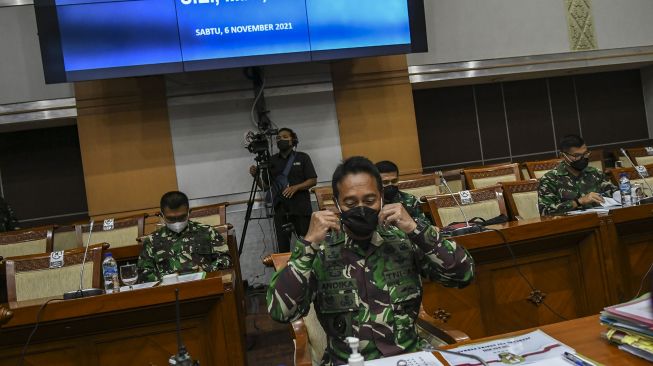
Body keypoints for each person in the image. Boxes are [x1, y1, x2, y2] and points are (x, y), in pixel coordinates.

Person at [266, 156, 474, 365]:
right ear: (336, 203)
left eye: (369, 200)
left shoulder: (403, 241)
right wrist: (308, 243)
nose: (361, 208)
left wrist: (416, 229)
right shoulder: (321, 251)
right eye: (350, 203)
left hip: (407, 359)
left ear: (381, 198)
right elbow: (281, 312)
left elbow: (463, 274)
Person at [137, 191, 231, 282]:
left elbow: (225, 259)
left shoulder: (207, 232)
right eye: (171, 219)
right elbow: (143, 272)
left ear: (189, 212)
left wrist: (207, 270)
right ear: (162, 215)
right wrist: (165, 279)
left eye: (181, 217)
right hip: (169, 291)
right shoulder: (152, 241)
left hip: (205, 284)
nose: (177, 222)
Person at [249, 127, 317, 253]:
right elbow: (265, 186)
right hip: (280, 210)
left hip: (301, 209)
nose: (281, 140)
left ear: (293, 140)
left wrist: (296, 187)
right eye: (278, 138)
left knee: (307, 245)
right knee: (283, 248)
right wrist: (256, 177)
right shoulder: (271, 161)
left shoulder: (303, 157)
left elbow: (313, 180)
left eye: (285, 137)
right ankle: (285, 271)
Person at [538, 135, 617, 215]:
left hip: (600, 220)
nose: (583, 158)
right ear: (563, 156)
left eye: (585, 153)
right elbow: (545, 212)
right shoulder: (550, 179)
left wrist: (624, 192)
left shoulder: (595, 172)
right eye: (577, 155)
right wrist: (578, 202)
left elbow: (614, 193)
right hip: (570, 224)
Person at [375, 160, 431, 226]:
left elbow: (425, 225)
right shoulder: (371, 204)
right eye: (385, 182)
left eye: (394, 181)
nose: (390, 185)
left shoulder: (410, 200)